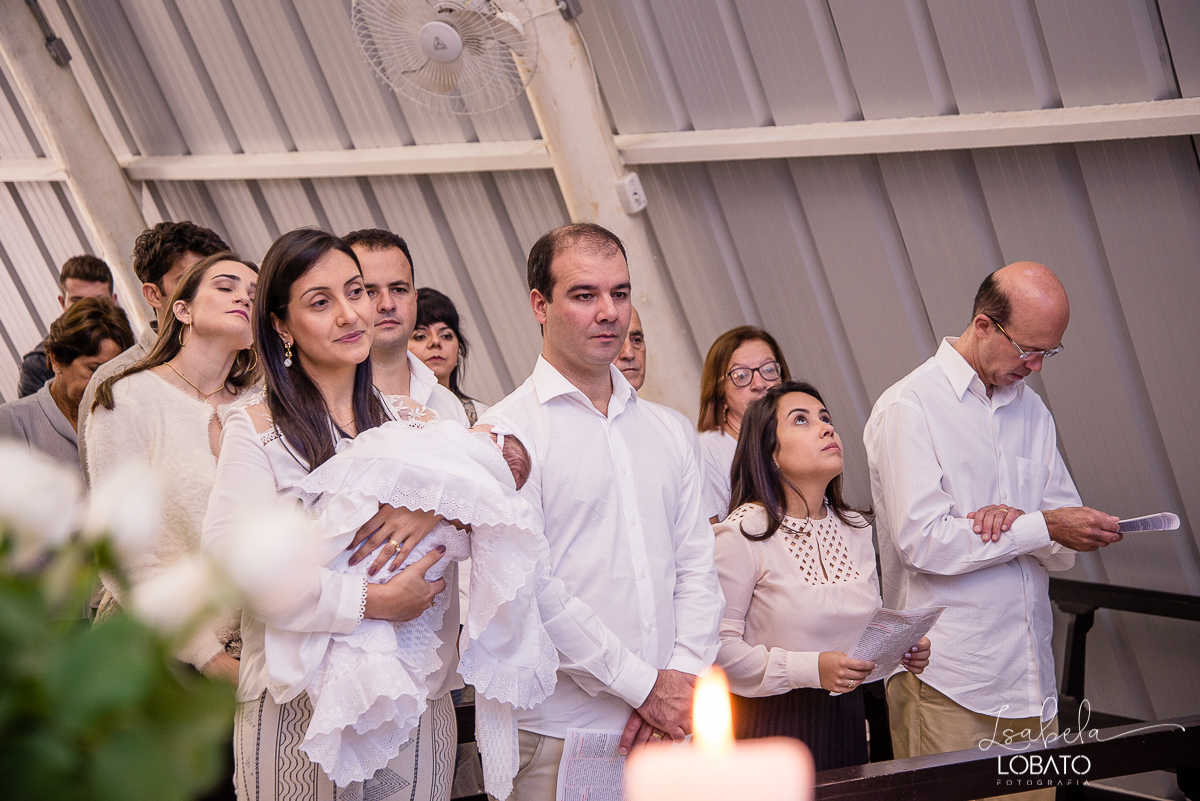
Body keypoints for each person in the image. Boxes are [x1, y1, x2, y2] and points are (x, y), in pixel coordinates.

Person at [202, 228, 465, 801]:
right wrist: (373, 602)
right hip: (294, 706)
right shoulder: (255, 427)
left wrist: (436, 509)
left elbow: (496, 508)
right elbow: (234, 562)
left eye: (357, 292)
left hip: (414, 696)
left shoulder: (416, 422)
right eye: (321, 303)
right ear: (280, 324)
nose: (351, 314)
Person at [481, 222, 723, 801]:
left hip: (671, 730)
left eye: (620, 292)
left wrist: (681, 685)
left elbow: (696, 569)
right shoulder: (507, 432)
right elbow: (532, 587)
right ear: (540, 304)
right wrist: (646, 689)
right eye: (584, 295)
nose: (609, 312)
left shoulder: (667, 430)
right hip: (559, 733)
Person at [865, 262, 1122, 801]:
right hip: (948, 678)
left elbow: (1062, 555)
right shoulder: (908, 408)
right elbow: (925, 543)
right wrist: (1036, 526)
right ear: (984, 325)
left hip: (1029, 678)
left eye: (1049, 353)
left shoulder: (1034, 414)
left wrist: (1032, 526)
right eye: (1029, 349)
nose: (1036, 367)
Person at [275, 415, 553, 794]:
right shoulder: (424, 427)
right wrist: (431, 496)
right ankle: (360, 681)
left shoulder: (430, 419)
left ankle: (366, 680)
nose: (473, 431)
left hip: (426, 677)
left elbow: (487, 504)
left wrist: (438, 504)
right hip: (314, 607)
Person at [714, 381, 930, 771]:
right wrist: (810, 669)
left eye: (826, 418)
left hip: (846, 721)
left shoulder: (856, 528)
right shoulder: (741, 534)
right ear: (770, 454)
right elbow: (717, 652)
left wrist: (897, 650)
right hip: (768, 728)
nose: (827, 428)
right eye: (802, 420)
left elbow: (858, 637)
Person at [85, 252, 259, 685]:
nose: (244, 298)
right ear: (182, 310)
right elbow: (122, 550)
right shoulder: (127, 400)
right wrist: (206, 654)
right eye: (226, 286)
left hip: (253, 652)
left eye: (256, 295)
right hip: (152, 652)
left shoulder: (260, 408)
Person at [79, 221, 229, 483]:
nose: (206, 295)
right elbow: (113, 495)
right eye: (189, 281)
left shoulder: (243, 365)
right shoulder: (116, 382)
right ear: (154, 294)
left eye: (216, 284)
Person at [343, 229, 470, 427]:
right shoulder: (325, 404)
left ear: (414, 298)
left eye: (398, 290)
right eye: (369, 292)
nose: (387, 304)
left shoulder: (448, 403)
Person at [1, 297, 133, 476]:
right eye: (94, 370)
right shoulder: (13, 421)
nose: (104, 384)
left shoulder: (124, 416)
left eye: (114, 373)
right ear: (56, 359)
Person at [697, 327, 791, 523]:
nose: (759, 383)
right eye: (741, 375)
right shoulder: (706, 454)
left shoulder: (796, 435)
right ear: (718, 390)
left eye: (768, 369)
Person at [17, 255, 117, 398]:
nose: (87, 311)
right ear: (62, 303)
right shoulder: (37, 367)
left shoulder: (130, 350)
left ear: (113, 302)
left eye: (97, 302)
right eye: (78, 302)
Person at [409, 287, 488, 425]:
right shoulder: (393, 413)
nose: (435, 342)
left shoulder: (482, 416)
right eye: (420, 336)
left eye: (445, 335)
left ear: (459, 348)